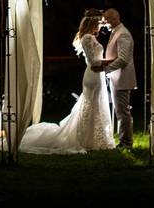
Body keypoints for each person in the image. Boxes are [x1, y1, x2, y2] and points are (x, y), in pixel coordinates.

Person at [15, 13, 115, 154]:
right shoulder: (87, 38)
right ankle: (86, 139)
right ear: (92, 24)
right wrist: (112, 61)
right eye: (98, 24)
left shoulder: (91, 37)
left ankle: (96, 138)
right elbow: (93, 62)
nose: (100, 26)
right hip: (93, 76)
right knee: (90, 106)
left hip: (97, 75)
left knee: (95, 106)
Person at [93, 8, 136, 149]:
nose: (104, 22)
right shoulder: (116, 32)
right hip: (116, 77)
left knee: (123, 112)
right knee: (120, 111)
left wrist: (105, 69)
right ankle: (124, 141)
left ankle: (126, 143)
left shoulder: (123, 34)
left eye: (106, 19)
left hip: (122, 78)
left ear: (114, 18)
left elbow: (123, 59)